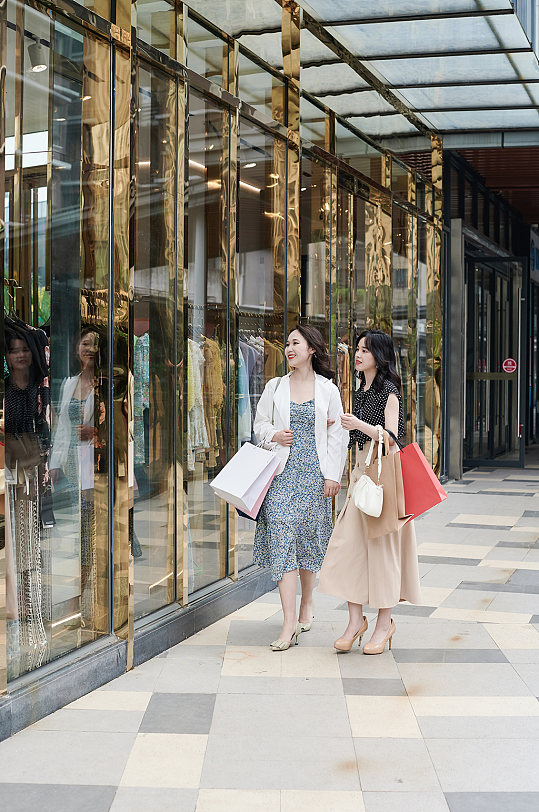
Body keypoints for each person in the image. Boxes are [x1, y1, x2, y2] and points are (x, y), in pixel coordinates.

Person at [318, 329, 421, 655]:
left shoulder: (390, 390)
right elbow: (353, 438)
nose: (357, 355)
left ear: (379, 354)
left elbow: (392, 436)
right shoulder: (360, 390)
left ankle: (383, 624)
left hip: (384, 478)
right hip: (361, 476)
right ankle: (355, 621)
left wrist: (357, 425)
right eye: (357, 349)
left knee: (383, 553)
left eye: (364, 350)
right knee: (349, 549)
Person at [253, 325, 348, 651]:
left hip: (314, 476)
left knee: (308, 543)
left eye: (295, 343)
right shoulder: (275, 386)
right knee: (282, 537)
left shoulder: (328, 390)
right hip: (280, 476)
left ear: (312, 349)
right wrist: (274, 436)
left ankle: (308, 602)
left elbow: (338, 435)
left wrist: (333, 475)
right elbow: (259, 424)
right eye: (288, 343)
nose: (289, 348)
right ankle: (288, 623)